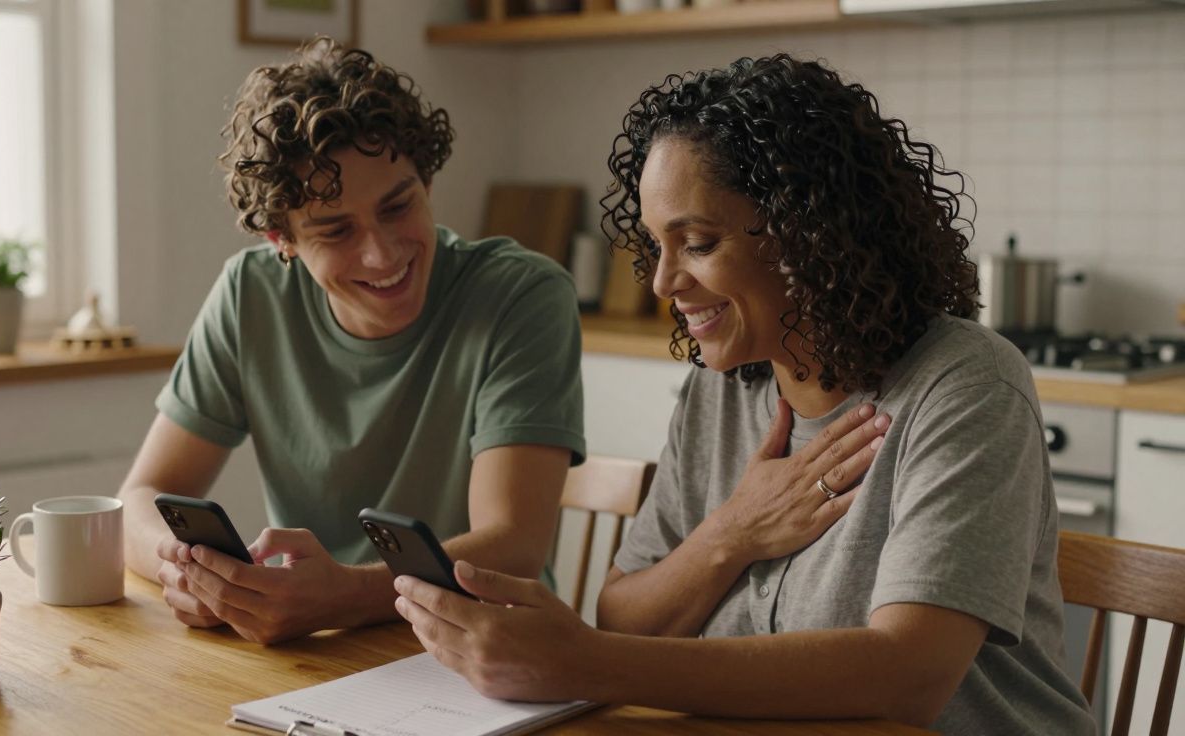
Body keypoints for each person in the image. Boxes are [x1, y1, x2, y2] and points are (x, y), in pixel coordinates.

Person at [393, 54, 1097, 734]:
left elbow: (907, 677)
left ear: (810, 234)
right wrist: (731, 535)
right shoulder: (721, 387)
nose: (663, 281)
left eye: (696, 243)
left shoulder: (964, 385)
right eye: (655, 246)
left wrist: (581, 662)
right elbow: (626, 615)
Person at [116, 38, 587, 645]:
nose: (382, 253)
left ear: (428, 182)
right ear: (280, 240)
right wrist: (184, 570)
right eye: (336, 230)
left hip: (482, 651)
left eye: (398, 207)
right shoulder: (249, 296)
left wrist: (342, 594)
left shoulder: (520, 296)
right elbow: (137, 499)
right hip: (313, 655)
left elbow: (513, 546)